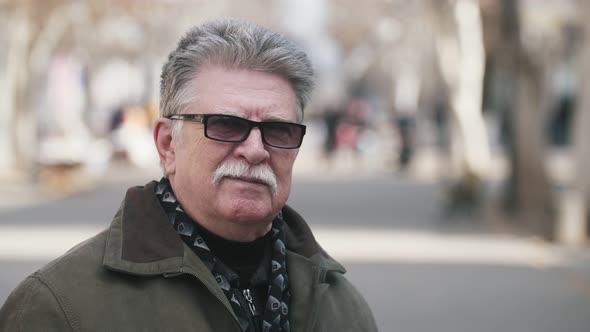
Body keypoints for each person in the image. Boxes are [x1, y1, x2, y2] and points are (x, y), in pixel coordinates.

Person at [0, 18, 378, 332]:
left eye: (278, 131)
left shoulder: (340, 305)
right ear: (167, 144)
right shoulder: (59, 307)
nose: (256, 149)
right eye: (226, 125)